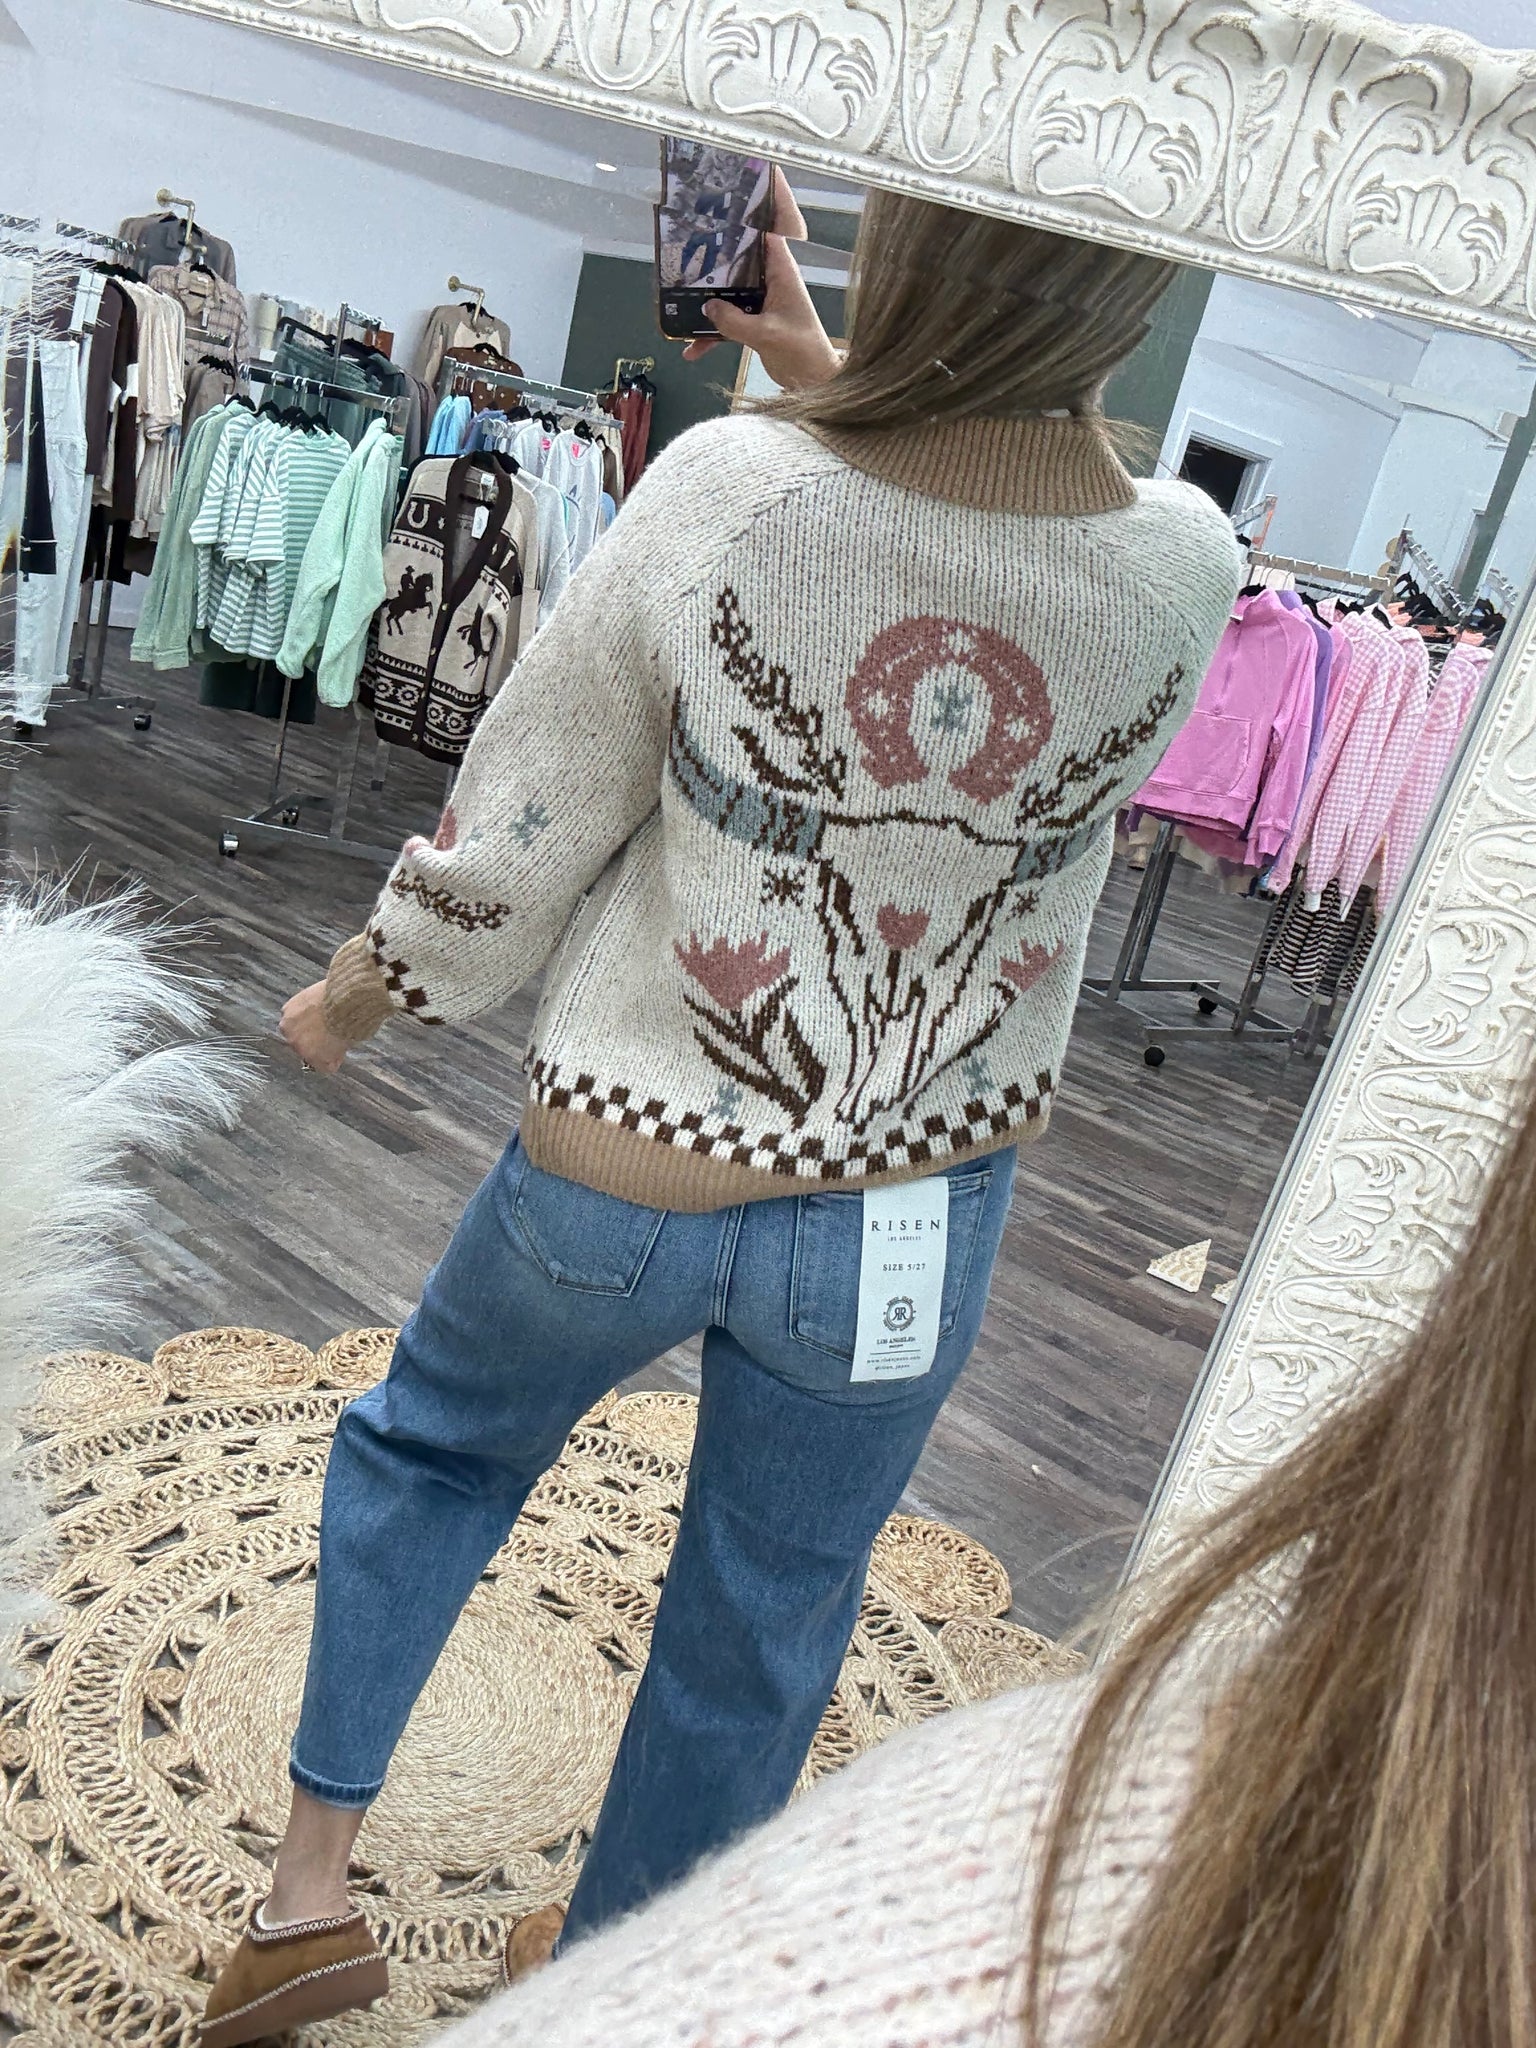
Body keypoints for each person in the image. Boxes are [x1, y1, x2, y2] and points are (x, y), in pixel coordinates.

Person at [200, 177, 1242, 2044]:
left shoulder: (726, 490)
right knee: (770, 1609)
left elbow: (531, 806)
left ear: (910, 245)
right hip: (911, 1209)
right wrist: (829, 369)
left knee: (431, 1457)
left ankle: (301, 1913)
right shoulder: (1189, 561)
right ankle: (622, 1979)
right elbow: (987, 543)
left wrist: (360, 991)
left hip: (628, 1165)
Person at [427, 988, 1536, 2048]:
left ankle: (350, 1908)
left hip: (647, 1104)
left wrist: (384, 982)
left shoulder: (1042, 1847)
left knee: (434, 1456)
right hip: (912, 1169)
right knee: (765, 1605)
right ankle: (622, 1929)